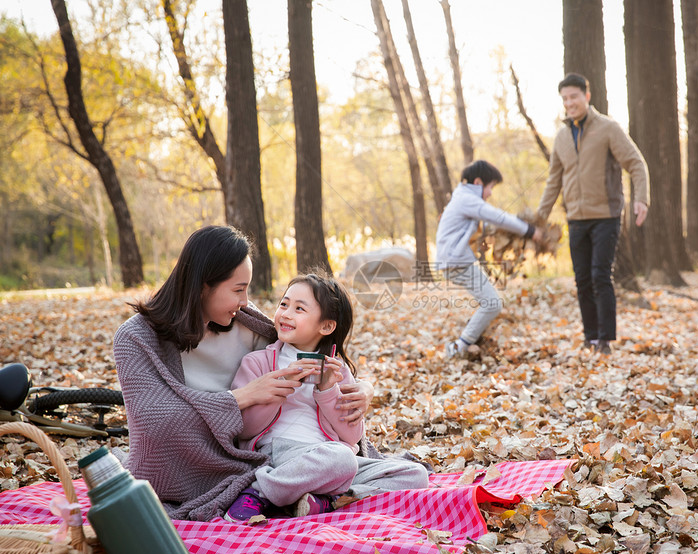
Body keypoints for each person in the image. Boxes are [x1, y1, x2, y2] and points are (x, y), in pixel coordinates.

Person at [112, 225, 374, 521]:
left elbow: (308, 348)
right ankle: (274, 494)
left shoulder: (247, 323)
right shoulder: (136, 338)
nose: (246, 301)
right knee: (334, 463)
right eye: (238, 289)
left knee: (384, 470)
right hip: (215, 464)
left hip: (290, 457)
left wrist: (363, 388)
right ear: (202, 285)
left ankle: (311, 496)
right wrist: (242, 397)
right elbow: (156, 424)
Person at [227, 272, 429, 522]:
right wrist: (279, 390)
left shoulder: (338, 370)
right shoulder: (258, 362)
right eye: (284, 304)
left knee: (416, 474)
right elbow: (244, 430)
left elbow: (352, 436)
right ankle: (258, 492)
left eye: (299, 309)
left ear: (326, 326)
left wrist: (326, 391)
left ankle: (327, 501)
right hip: (282, 455)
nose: (286, 314)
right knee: (342, 458)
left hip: (331, 460)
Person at [536, 73, 650, 356]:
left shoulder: (608, 128)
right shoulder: (562, 137)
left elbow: (636, 163)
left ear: (587, 96)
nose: (569, 103)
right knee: (582, 279)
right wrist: (539, 218)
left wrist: (641, 199)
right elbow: (553, 181)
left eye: (574, 97)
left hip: (606, 215)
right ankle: (590, 337)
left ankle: (605, 339)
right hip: (575, 218)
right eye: (564, 99)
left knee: (600, 275)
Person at [436, 159, 543, 358]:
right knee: (492, 303)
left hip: (455, 259)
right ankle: (460, 346)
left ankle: (467, 341)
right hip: (456, 261)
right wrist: (528, 230)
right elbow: (496, 216)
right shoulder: (467, 199)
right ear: (478, 183)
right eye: (491, 186)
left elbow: (486, 225)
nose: (491, 192)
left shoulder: (462, 197)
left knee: (490, 302)